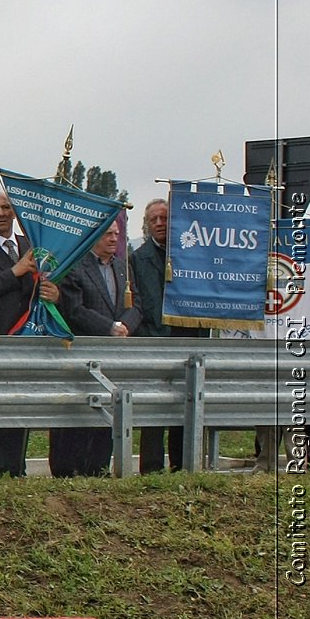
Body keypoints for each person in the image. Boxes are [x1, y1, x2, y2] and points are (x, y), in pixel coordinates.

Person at [0, 191, 59, 478]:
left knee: (20, 403)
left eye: (6, 207)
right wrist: (16, 271)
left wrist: (55, 295)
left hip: (28, 341)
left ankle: (16, 466)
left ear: (15, 213)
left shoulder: (32, 247)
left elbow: (48, 286)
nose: (2, 213)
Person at [49, 223, 136, 477]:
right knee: (78, 411)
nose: (114, 239)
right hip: (83, 351)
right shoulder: (76, 267)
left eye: (117, 235)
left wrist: (126, 326)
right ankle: (68, 469)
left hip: (115, 352)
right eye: (108, 234)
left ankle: (98, 467)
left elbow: (136, 302)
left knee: (108, 408)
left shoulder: (122, 267)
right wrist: (109, 326)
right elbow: (75, 309)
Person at [130, 198, 190, 472]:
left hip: (188, 335)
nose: (159, 223)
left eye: (164, 218)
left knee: (185, 403)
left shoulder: (191, 253)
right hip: (155, 337)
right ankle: (151, 467)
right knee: (155, 406)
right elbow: (141, 301)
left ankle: (182, 462)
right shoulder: (138, 257)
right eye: (153, 219)